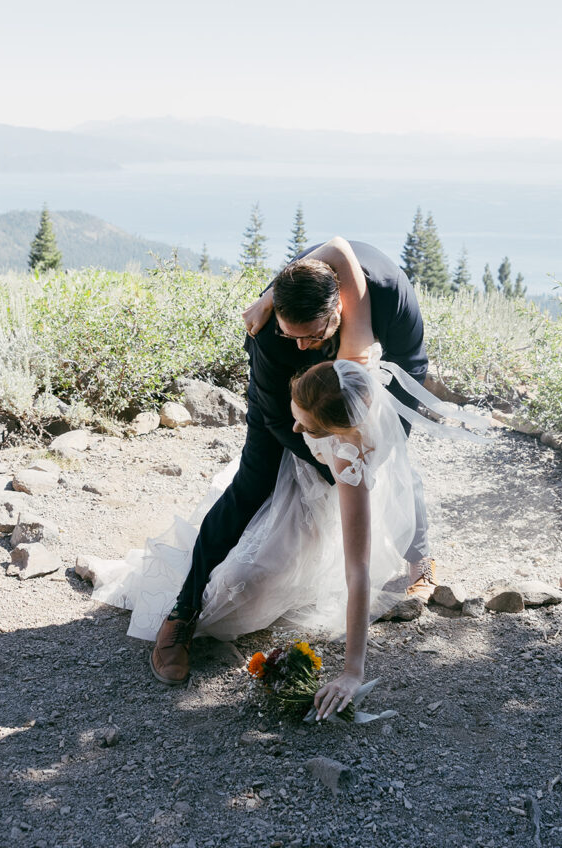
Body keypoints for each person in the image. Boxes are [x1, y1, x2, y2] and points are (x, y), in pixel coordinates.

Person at [91, 341, 489, 716]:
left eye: (306, 428)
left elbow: (358, 571)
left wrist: (352, 671)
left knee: (247, 588)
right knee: (234, 558)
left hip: (321, 496)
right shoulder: (337, 377)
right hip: (280, 475)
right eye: (295, 413)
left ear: (337, 433)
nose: (294, 432)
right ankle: (180, 605)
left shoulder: (351, 459)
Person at [144, 237, 436, 686]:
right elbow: (280, 420)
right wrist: (324, 461)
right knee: (251, 485)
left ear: (341, 308)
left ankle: (421, 558)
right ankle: (182, 612)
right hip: (285, 401)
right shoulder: (273, 330)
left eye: (313, 336)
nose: (302, 346)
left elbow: (409, 368)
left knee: (390, 461)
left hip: (376, 373)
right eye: (291, 335)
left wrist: (361, 456)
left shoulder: (385, 299)